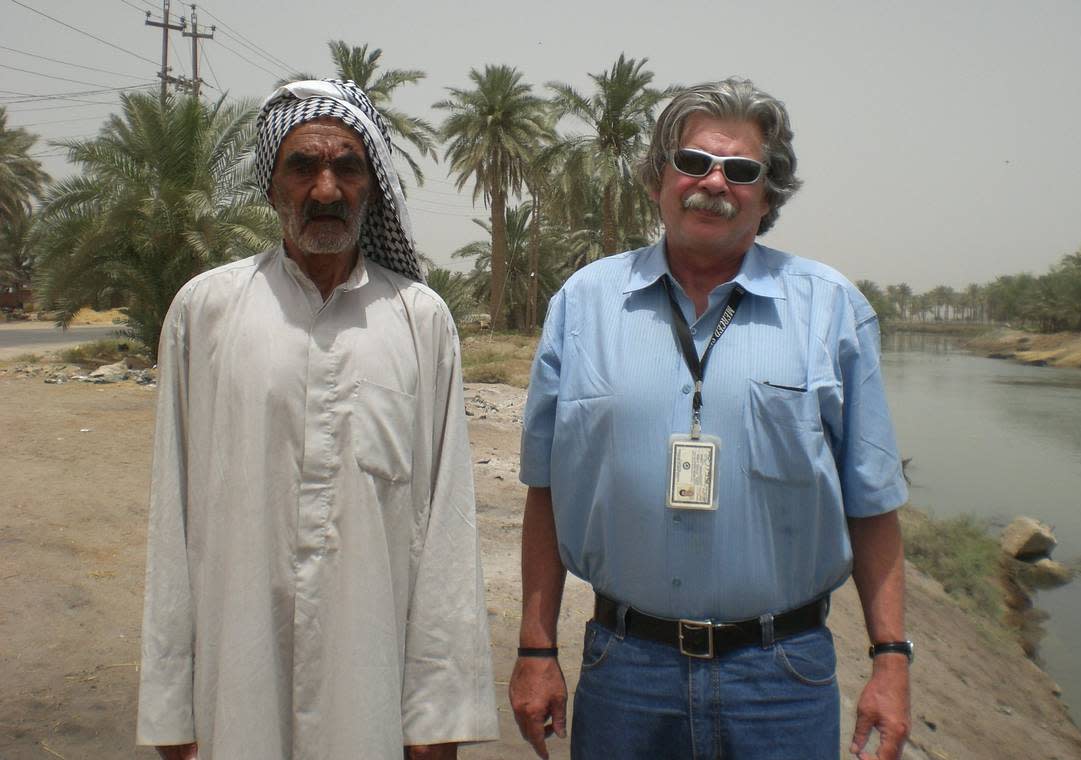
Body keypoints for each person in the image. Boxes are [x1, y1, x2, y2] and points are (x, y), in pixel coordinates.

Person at [509, 78, 912, 760]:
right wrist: (535, 645)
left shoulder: (830, 308)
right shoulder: (583, 305)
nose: (713, 182)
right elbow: (546, 488)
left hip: (782, 676)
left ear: (768, 191)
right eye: (693, 162)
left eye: (741, 170)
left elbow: (872, 502)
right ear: (659, 176)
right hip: (625, 670)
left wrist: (892, 659)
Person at [136, 79, 497, 760]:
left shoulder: (420, 323)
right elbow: (172, 519)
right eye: (303, 167)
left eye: (348, 168)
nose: (326, 189)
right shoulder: (206, 312)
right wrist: (170, 712)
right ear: (272, 186)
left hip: (370, 692)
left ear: (374, 187)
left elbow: (448, 532)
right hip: (236, 688)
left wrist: (438, 719)